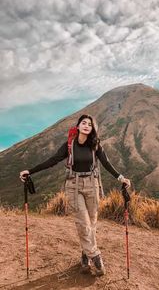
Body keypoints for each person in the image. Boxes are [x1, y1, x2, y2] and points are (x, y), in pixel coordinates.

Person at [20, 114, 131, 276]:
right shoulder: (69, 145)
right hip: (73, 185)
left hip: (92, 185)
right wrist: (30, 171)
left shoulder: (95, 145)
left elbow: (106, 163)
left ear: (92, 129)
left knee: (91, 223)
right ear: (78, 126)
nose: (86, 125)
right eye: (83, 123)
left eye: (90, 124)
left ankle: (85, 255)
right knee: (83, 223)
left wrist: (121, 178)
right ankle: (96, 255)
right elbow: (52, 160)